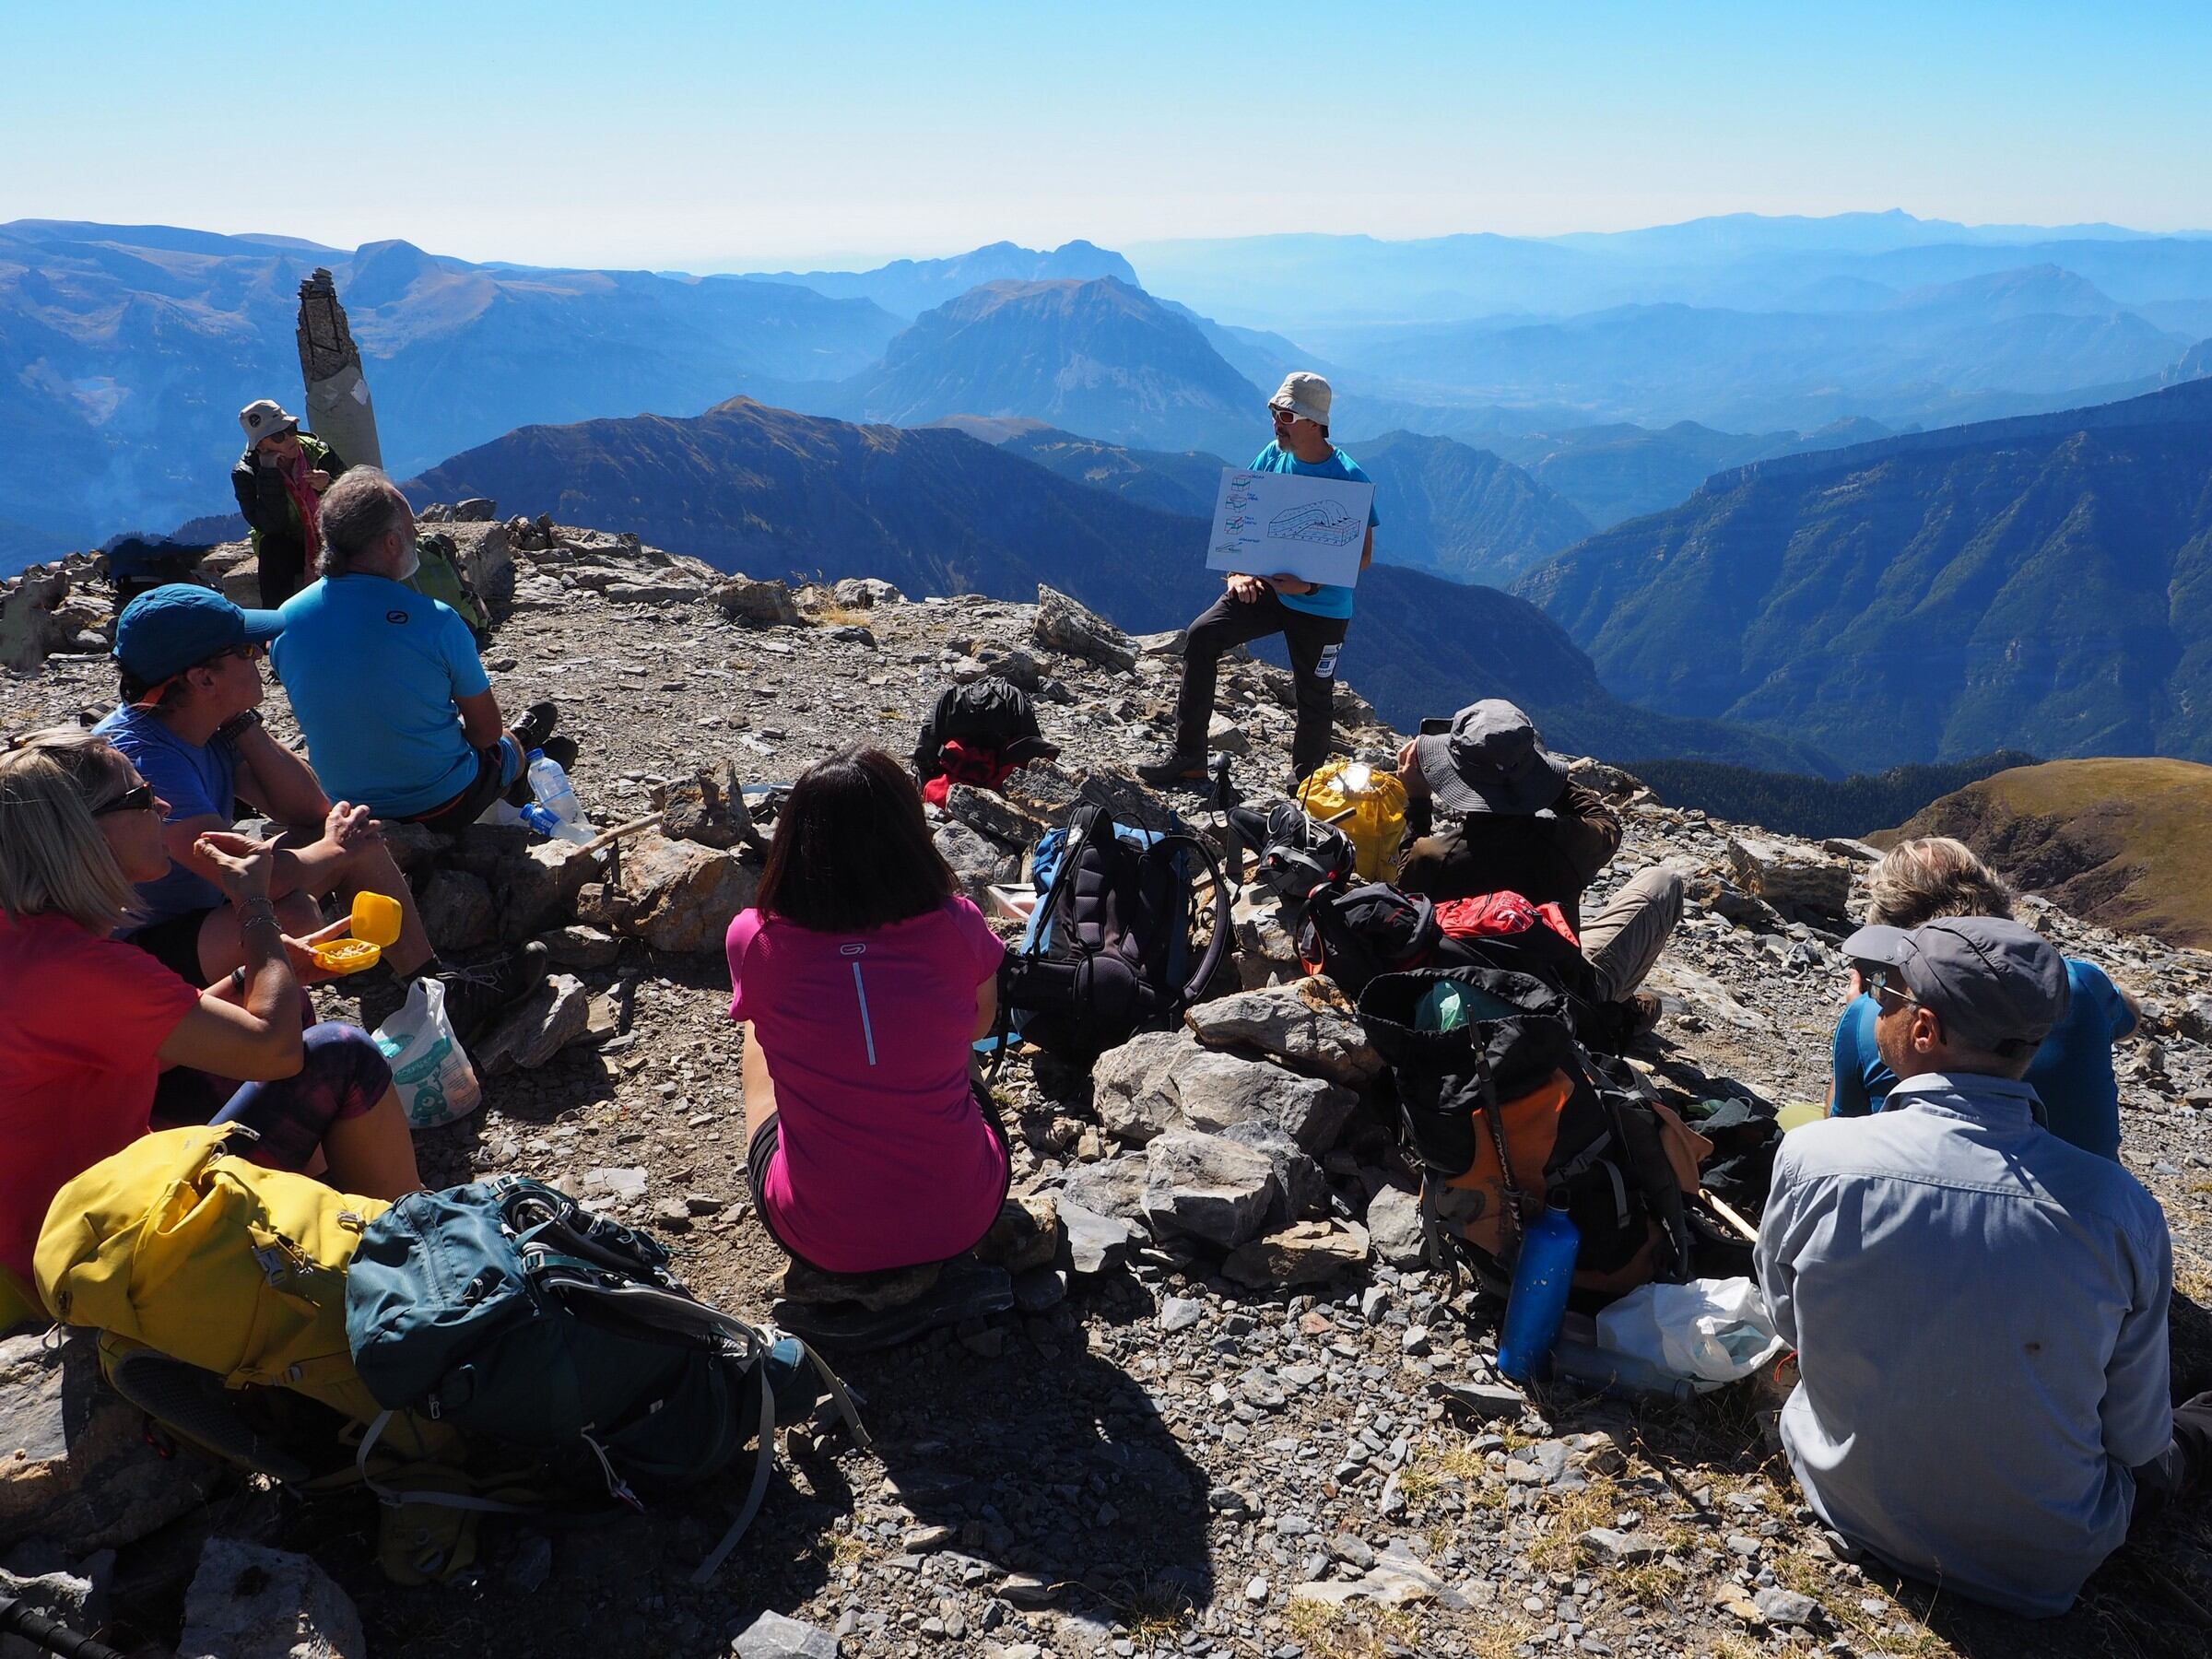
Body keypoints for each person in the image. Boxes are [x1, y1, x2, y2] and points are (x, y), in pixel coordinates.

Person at [1759, 914, 2210, 1618]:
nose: (1876, 1003)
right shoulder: (2121, 1211)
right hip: (2044, 1556)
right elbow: (2133, 1439)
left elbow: (1790, 1318)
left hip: (1846, 1497)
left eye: (1887, 995)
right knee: (2186, 1429)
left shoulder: (1816, 1159)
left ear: (1925, 1031)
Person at [0, 728, 423, 1309]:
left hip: (67, 1219)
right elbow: (273, 1054)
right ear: (81, 832)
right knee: (341, 1055)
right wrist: (254, 907)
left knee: (275, 1000)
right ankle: (421, 1259)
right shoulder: (77, 967)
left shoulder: (27, 946)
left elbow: (151, 1042)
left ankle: (324, 1210)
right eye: (142, 797)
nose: (164, 807)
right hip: (101, 1250)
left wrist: (263, 973)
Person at [94, 583, 539, 1041]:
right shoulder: (145, 761)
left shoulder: (198, 724)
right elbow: (255, 880)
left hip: (201, 911)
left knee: (352, 840)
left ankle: (435, 989)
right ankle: (246, 1044)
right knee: (294, 914)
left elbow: (308, 809)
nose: (261, 657)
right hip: (137, 954)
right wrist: (335, 848)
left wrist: (242, 722)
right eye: (247, 650)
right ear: (203, 679)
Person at [726, 747, 1010, 1279]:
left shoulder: (755, 937)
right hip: (965, 1217)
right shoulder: (960, 924)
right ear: (908, 836)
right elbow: (978, 1026)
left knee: (758, 1027)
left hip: (817, 1235)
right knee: (953, 1047)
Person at [270, 469, 568, 838]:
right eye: (412, 529)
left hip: (344, 810)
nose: (417, 537)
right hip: (440, 805)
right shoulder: (437, 621)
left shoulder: (282, 622)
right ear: (391, 543)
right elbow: (484, 732)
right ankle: (520, 763)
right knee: (504, 745)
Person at [1827, 836, 2137, 1159]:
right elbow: (2130, 1021)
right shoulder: (2079, 983)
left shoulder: (1868, 1017)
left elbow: (1838, 1139)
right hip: (2086, 1200)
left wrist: (1865, 1009)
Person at [1139, 372, 1379, 789]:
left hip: (1320, 604)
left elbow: (1361, 557)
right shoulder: (1272, 456)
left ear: (1313, 421)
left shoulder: (1350, 480)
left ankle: (1304, 788)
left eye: (1285, 414)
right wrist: (1237, 573)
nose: (1276, 422)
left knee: (1314, 697)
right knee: (1201, 636)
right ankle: (1189, 757)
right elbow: (1240, 526)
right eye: (1274, 412)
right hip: (1266, 589)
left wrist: (1308, 587)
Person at [1395, 699, 1682, 1022]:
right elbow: (1606, 824)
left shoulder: (1434, 857)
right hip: (1558, 995)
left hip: (1467, 990)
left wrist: (1417, 803)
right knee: (1663, 882)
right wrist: (1541, 778)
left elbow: (1405, 889)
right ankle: (1606, 1009)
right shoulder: (1567, 841)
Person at [232, 399, 346, 607]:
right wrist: (269, 474)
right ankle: (276, 624)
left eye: (291, 429)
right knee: (273, 547)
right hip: (287, 541)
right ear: (261, 445)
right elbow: (270, 525)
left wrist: (330, 485)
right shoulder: (246, 474)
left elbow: (355, 494)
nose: (289, 438)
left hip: (328, 531)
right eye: (278, 436)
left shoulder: (318, 452)